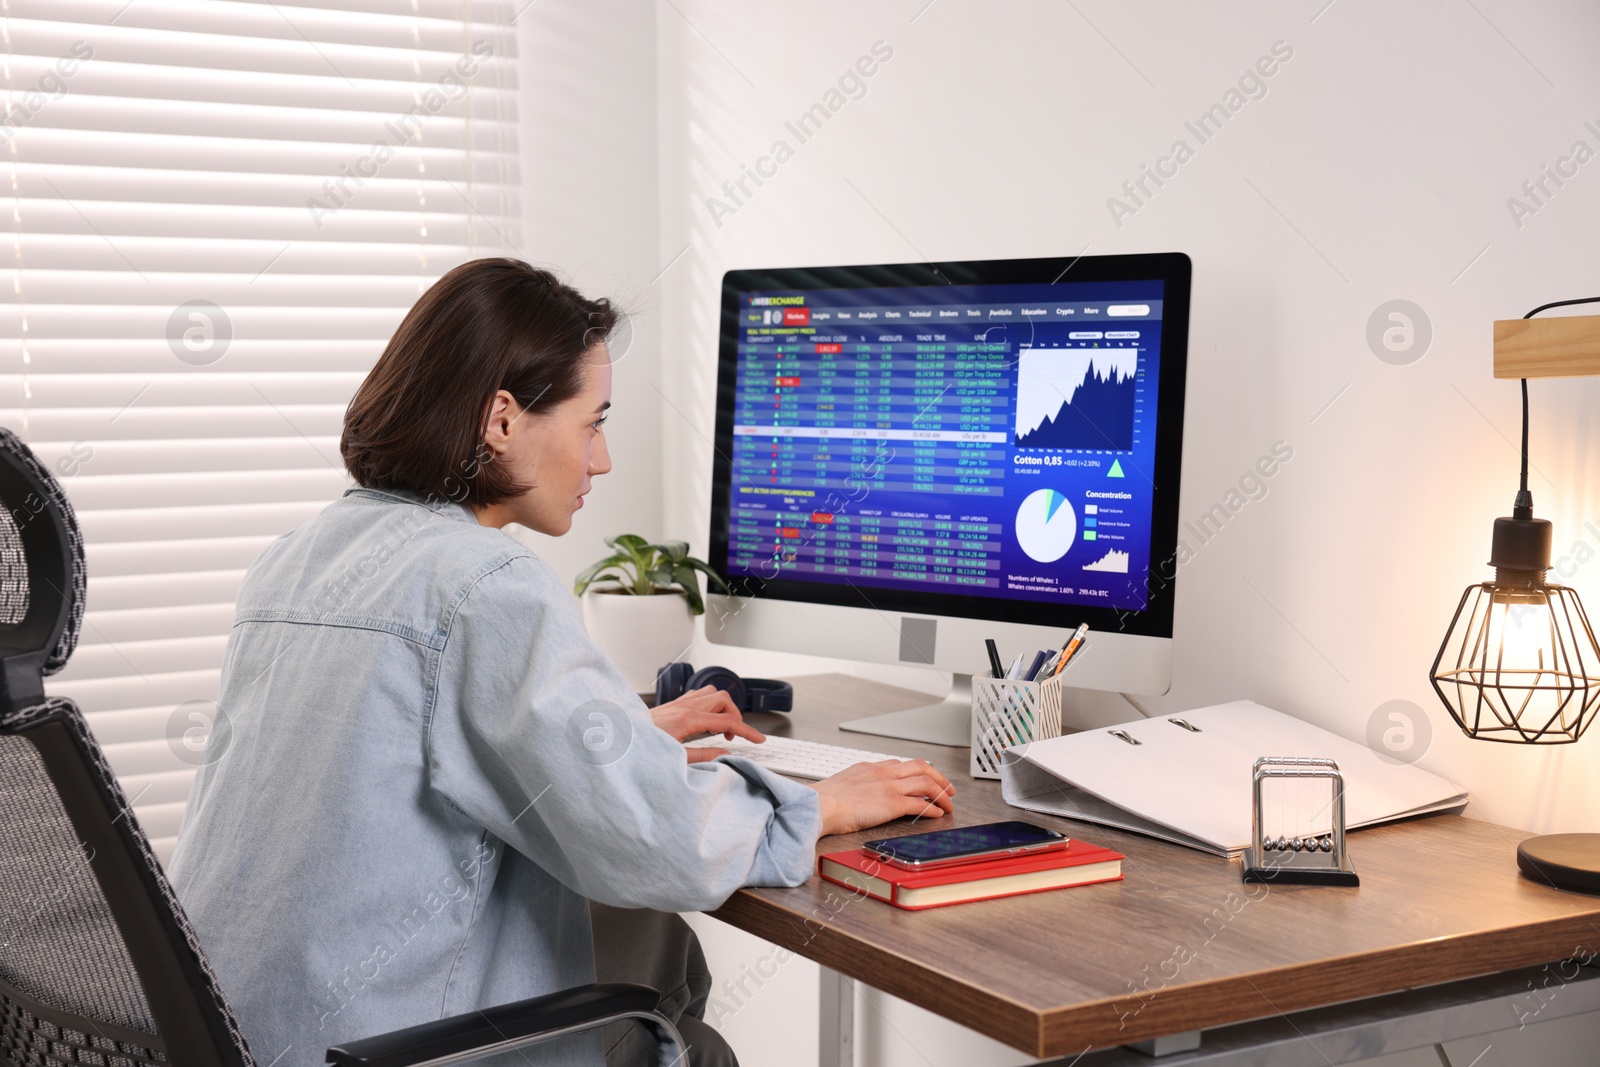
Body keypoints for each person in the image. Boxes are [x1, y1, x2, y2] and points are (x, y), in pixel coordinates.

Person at [169, 258, 956, 1067]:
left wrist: (621, 735)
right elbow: (663, 841)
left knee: (648, 950)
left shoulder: (295, 560)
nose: (602, 460)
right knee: (693, 1042)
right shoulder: (485, 584)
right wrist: (818, 806)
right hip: (382, 1047)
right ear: (502, 420)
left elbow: (376, 757)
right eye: (592, 422)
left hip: (237, 1037)